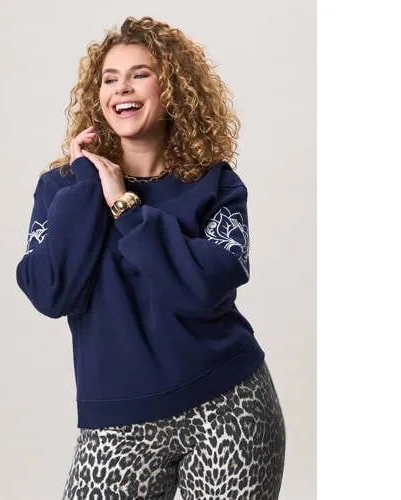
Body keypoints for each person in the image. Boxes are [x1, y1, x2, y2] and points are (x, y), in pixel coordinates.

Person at [16, 15, 286, 500]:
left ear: (172, 89)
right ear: (98, 95)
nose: (123, 87)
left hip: (229, 404)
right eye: (110, 79)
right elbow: (51, 292)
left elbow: (202, 290)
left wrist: (126, 206)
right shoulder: (63, 188)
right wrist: (89, 186)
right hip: (117, 421)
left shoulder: (216, 184)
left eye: (140, 74)